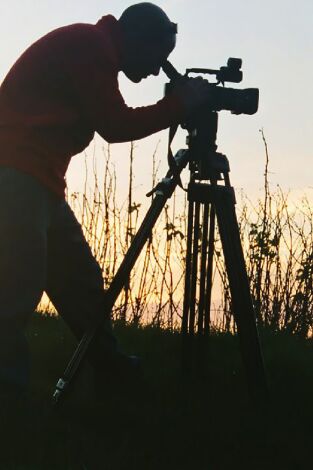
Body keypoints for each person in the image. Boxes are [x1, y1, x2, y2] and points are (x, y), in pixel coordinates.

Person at [0, 2, 209, 400]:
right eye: (156, 57)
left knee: (80, 280)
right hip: (16, 174)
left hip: (37, 178)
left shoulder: (93, 47)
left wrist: (176, 104)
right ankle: (9, 398)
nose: (154, 70)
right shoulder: (91, 47)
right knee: (15, 288)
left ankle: (107, 368)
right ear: (136, 39)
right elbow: (115, 125)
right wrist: (179, 105)